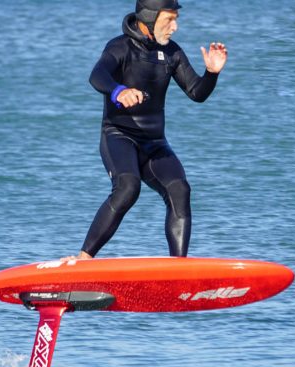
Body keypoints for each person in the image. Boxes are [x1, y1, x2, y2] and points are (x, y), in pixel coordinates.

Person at [66, 0, 227, 260]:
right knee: (127, 187)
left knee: (180, 189)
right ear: (149, 18)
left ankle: (178, 269)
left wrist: (211, 73)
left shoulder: (172, 53)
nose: (174, 27)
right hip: (119, 136)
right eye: (169, 20)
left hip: (154, 142)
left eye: (176, 20)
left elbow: (197, 93)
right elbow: (97, 75)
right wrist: (119, 91)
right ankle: (83, 259)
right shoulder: (120, 47)